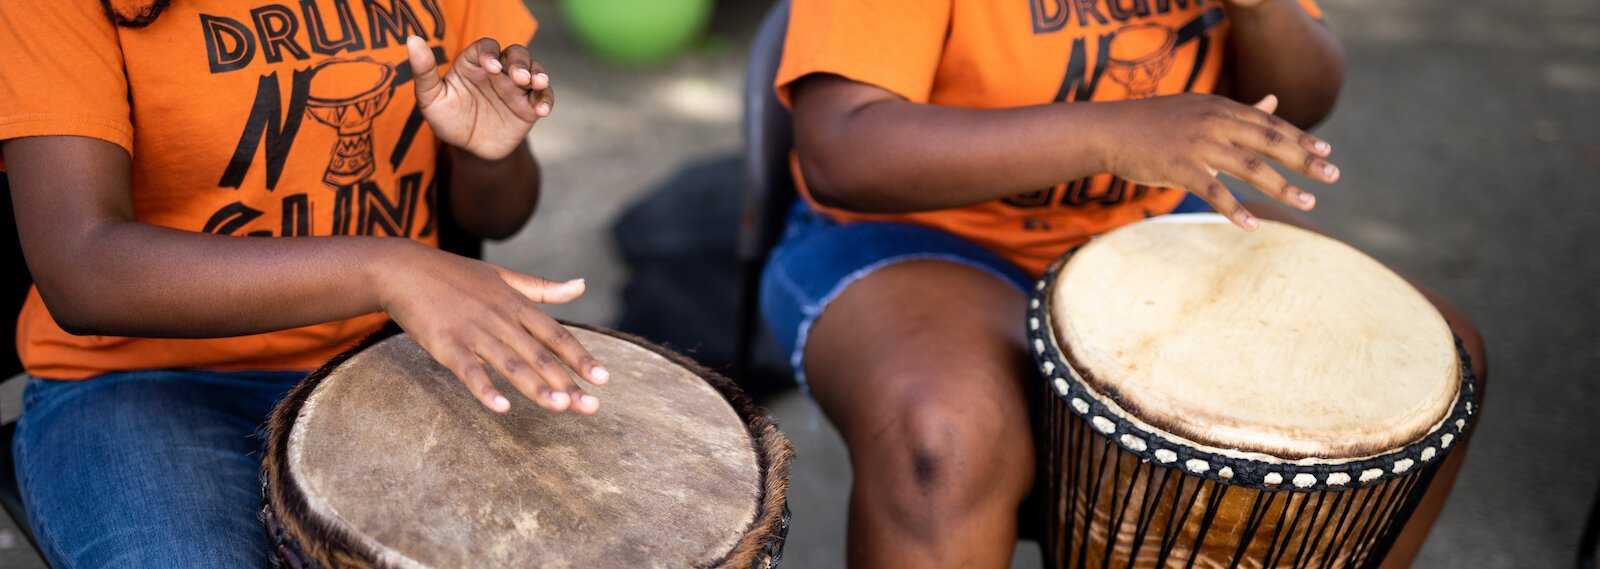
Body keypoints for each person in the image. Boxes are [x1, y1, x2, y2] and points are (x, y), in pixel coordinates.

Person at [759, 0, 1488, 567]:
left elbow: (1297, 102)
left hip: (1155, 220)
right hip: (918, 236)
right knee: (944, 438)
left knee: (1437, 366)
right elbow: (842, 146)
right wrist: (1113, 133)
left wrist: (1262, 9)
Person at [0, 0, 611, 566]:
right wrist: (387, 268)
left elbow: (496, 217)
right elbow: (80, 267)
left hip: (378, 363)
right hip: (137, 385)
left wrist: (488, 153)